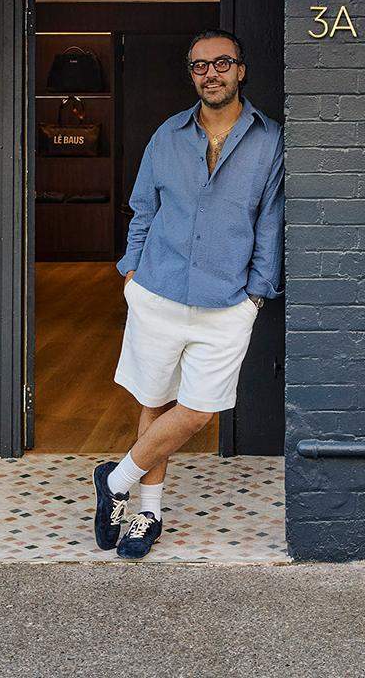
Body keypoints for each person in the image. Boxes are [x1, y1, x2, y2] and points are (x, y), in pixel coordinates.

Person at [94, 28, 283, 559]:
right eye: (200, 66)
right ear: (192, 74)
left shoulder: (270, 140)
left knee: (199, 410)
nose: (211, 73)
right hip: (157, 290)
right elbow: (143, 208)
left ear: (241, 70)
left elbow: (270, 222)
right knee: (154, 402)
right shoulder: (167, 135)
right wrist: (131, 274)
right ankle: (147, 513)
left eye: (222, 63)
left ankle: (114, 479)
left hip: (228, 302)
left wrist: (255, 297)